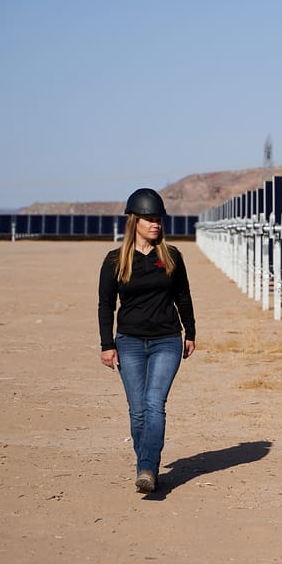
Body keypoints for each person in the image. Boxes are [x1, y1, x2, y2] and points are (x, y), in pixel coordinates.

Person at [97, 188, 196, 493]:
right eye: (150, 219)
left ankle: (147, 468)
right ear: (134, 221)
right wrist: (106, 344)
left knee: (154, 404)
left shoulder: (171, 256)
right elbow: (105, 304)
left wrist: (190, 332)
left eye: (159, 220)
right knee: (137, 409)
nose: (156, 224)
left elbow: (183, 295)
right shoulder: (115, 260)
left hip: (167, 340)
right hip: (128, 342)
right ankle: (146, 462)